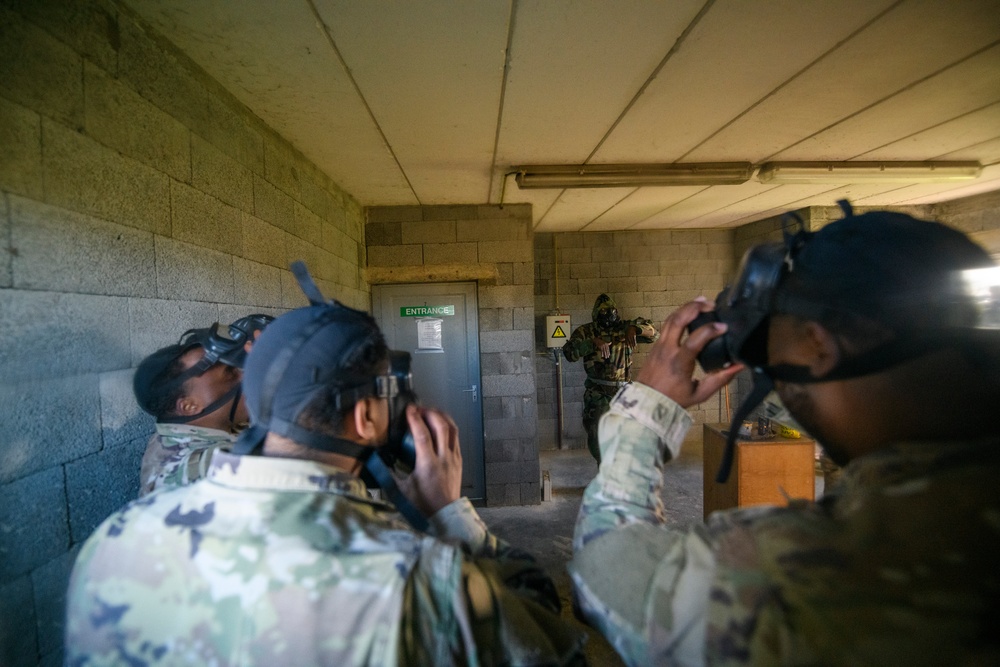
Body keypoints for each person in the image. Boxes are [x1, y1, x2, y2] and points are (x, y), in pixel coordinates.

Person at [67, 282, 586, 665]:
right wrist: (450, 515)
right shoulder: (421, 578)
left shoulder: (112, 542)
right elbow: (549, 640)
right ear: (365, 418)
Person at [570, 204, 1000, 665]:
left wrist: (647, 406)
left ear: (818, 345)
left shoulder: (788, 573)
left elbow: (603, 563)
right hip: (598, 390)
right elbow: (570, 350)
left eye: (773, 334)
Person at [134, 314, 271, 496]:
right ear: (190, 406)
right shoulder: (198, 470)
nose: (247, 374)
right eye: (231, 373)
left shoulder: (195, 427)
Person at [563, 293, 658, 462]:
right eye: (604, 313)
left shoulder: (624, 327)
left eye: (611, 312)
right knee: (599, 440)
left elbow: (654, 334)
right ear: (596, 314)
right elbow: (570, 353)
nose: (608, 317)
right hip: (598, 396)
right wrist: (593, 342)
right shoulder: (586, 331)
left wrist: (635, 329)